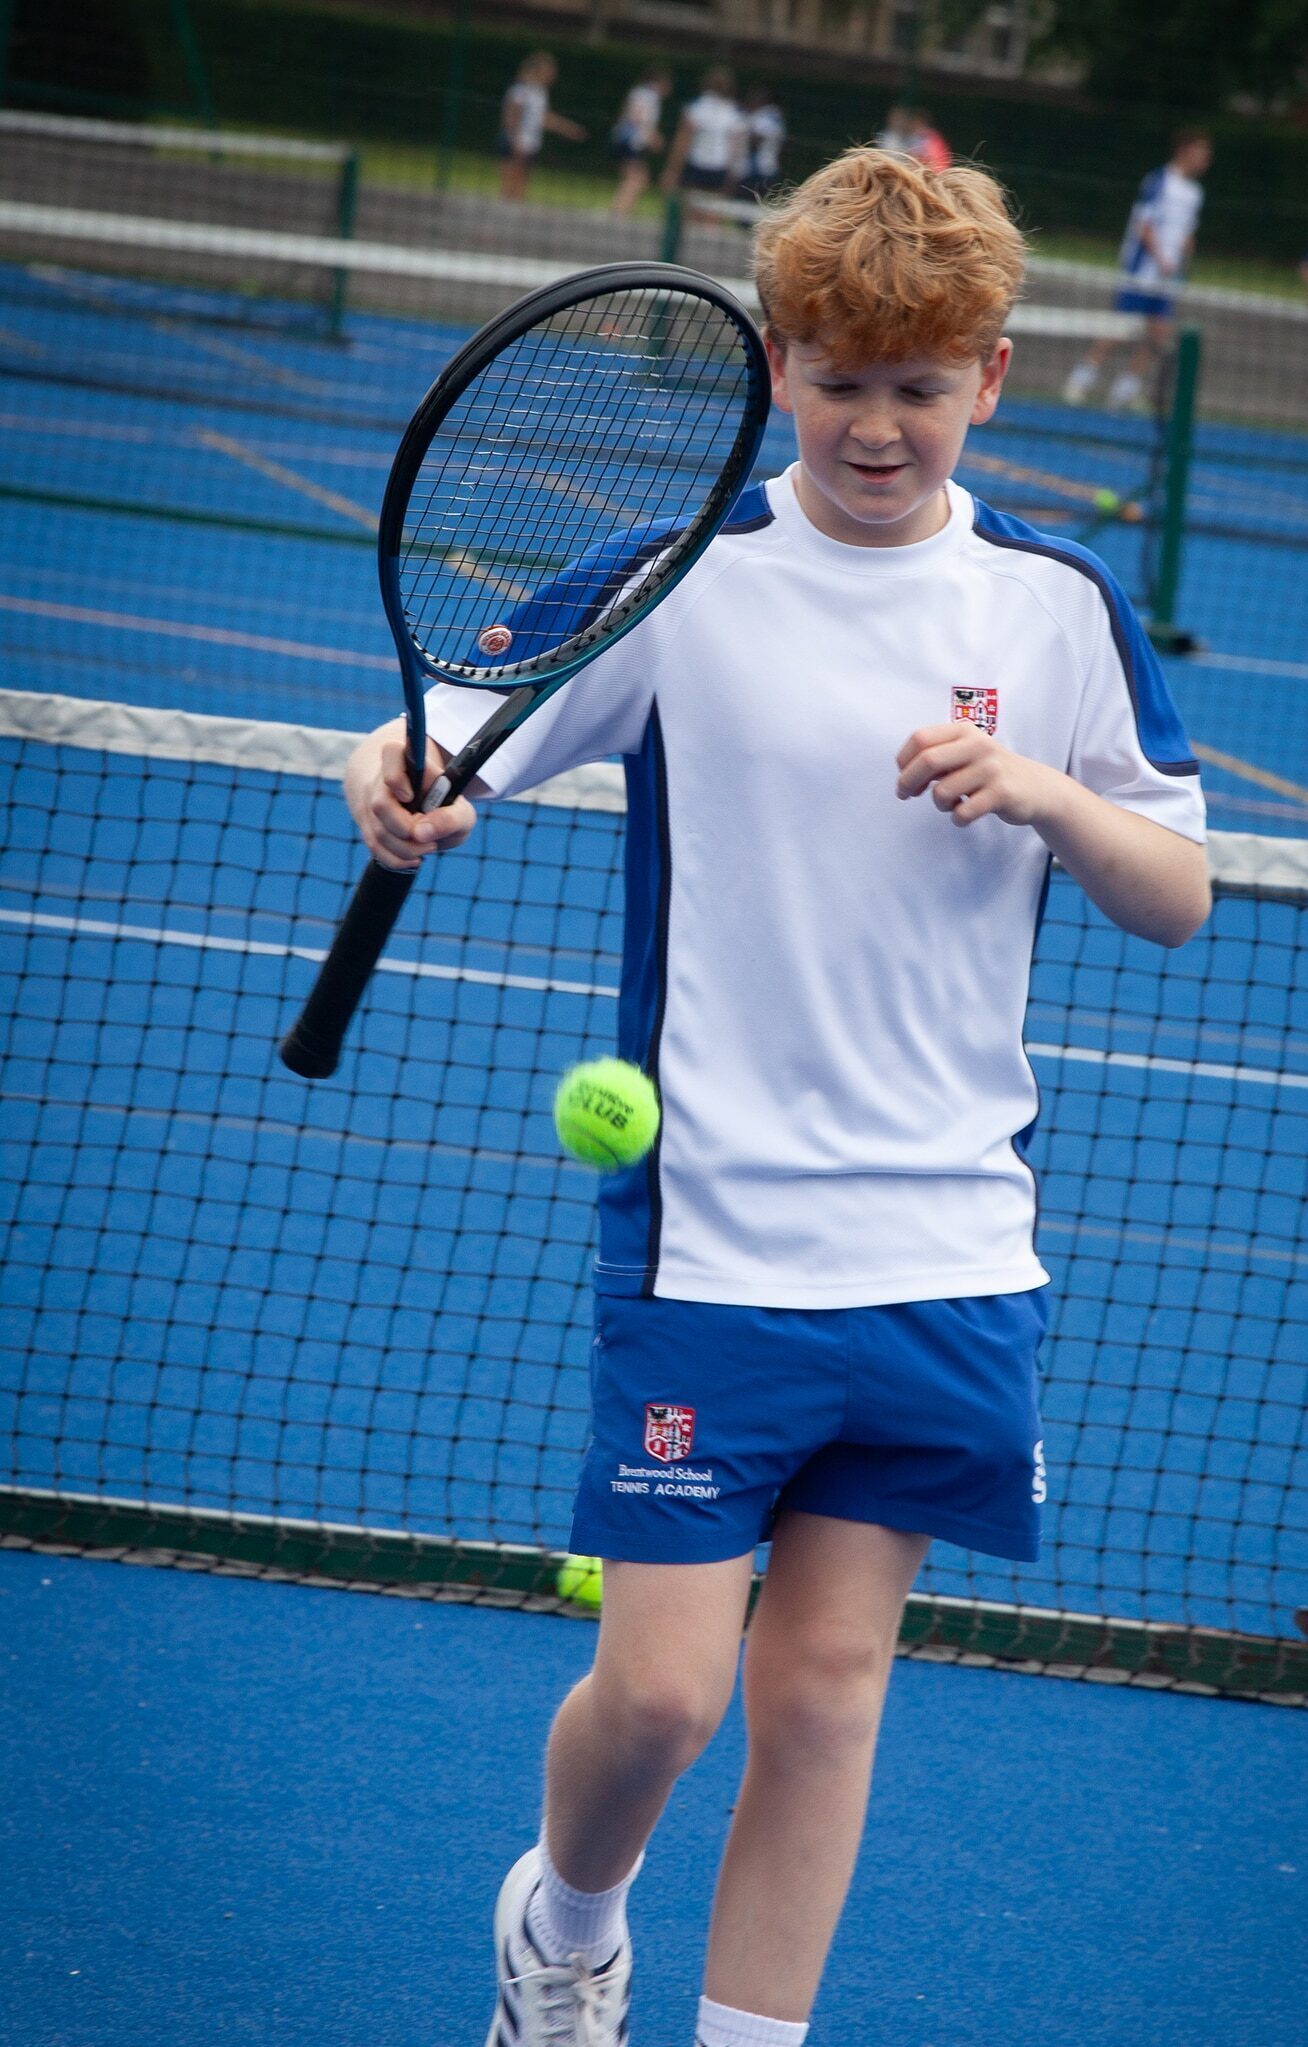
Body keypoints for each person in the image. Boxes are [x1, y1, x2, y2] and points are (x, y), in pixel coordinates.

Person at [344, 145, 1210, 2047]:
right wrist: (395, 782)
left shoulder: (1054, 611)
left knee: (824, 1695)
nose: (875, 424)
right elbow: (433, 734)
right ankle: (567, 1926)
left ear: (989, 377)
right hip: (716, 1238)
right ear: (775, 368)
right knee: (662, 1699)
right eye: (834, 379)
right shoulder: (683, 578)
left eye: (917, 384)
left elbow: (1175, 889)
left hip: (943, 1244)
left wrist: (1051, 798)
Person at [1064, 130, 1213, 411]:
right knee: (1119, 329)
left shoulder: (1195, 193)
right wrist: (1161, 259)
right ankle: (1081, 379)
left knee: (1158, 335)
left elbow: (1186, 234)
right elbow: (1143, 225)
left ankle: (1125, 390)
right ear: (1184, 150)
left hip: (1168, 279)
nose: (1205, 160)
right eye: (1201, 153)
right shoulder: (1159, 182)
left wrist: (1183, 263)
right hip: (1142, 273)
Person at [497, 51, 587, 204]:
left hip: (529, 143)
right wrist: (516, 140)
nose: (553, 75)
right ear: (540, 70)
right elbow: (511, 116)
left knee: (520, 189)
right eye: (550, 71)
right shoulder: (521, 89)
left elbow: (543, 118)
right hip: (516, 141)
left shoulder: (540, 92)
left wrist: (567, 128)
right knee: (509, 188)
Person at [661, 67, 746, 221]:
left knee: (688, 213)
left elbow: (682, 142)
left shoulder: (696, 108)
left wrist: (672, 170)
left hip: (696, 164)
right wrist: (734, 176)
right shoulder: (735, 113)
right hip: (719, 167)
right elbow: (736, 149)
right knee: (713, 214)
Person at [609, 66, 672, 215]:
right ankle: (619, 212)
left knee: (634, 178)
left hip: (625, 139)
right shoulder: (649, 95)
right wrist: (653, 136)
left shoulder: (640, 92)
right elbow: (639, 115)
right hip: (631, 141)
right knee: (638, 179)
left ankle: (620, 209)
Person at [736, 84, 786, 202]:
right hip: (745, 170)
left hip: (762, 170)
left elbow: (755, 139)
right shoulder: (750, 115)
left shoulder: (771, 115)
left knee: (755, 204)